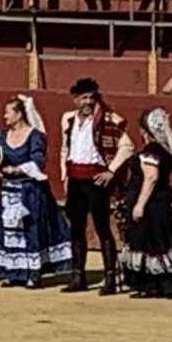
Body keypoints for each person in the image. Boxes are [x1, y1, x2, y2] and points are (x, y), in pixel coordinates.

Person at [0, 95, 72, 288]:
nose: (5, 116)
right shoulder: (3, 135)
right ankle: (12, 272)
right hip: (8, 190)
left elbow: (37, 162)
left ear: (19, 114)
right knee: (9, 230)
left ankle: (33, 273)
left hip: (29, 192)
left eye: (8, 112)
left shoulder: (34, 136)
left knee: (30, 230)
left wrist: (16, 170)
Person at [59, 78, 134, 294]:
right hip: (75, 179)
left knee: (102, 228)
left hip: (95, 180)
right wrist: (65, 176)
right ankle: (78, 277)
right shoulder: (68, 120)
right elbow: (65, 149)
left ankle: (110, 279)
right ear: (75, 99)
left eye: (91, 97)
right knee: (76, 229)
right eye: (84, 97)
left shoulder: (108, 119)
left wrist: (111, 171)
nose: (88, 101)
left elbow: (127, 146)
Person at [120, 108, 172, 298]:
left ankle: (154, 285)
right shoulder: (165, 149)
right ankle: (168, 283)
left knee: (150, 242)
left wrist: (139, 205)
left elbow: (151, 178)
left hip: (151, 205)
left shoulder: (151, 151)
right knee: (164, 241)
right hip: (161, 202)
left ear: (144, 131)